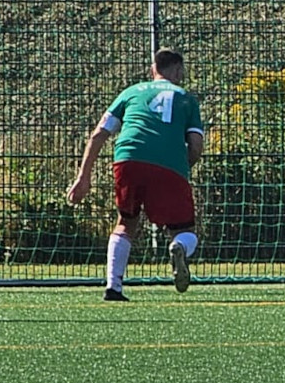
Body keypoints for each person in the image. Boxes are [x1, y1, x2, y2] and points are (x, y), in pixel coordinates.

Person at [66, 48, 204, 301]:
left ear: (153, 70)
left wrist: (83, 177)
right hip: (169, 164)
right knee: (184, 230)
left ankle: (113, 287)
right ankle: (179, 247)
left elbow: (98, 134)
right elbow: (195, 146)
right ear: (177, 71)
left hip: (128, 158)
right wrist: (182, 167)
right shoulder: (186, 98)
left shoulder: (131, 92)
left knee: (126, 222)